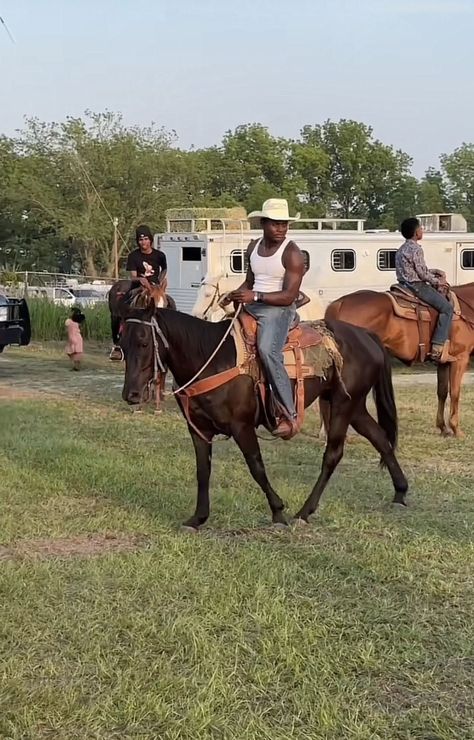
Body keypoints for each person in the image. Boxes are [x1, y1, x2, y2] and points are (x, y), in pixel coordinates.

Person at [225, 198, 305, 439]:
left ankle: (288, 414)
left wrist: (255, 296)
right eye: (275, 224)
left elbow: (289, 296)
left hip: (278, 310)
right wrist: (236, 294)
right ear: (263, 223)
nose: (281, 229)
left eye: (284, 224)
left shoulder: (292, 253)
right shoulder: (253, 247)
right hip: (253, 304)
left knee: (268, 351)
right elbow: (250, 281)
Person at [395, 217, 454, 362]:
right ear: (416, 233)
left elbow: (418, 269)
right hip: (417, 286)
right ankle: (438, 347)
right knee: (447, 308)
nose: (422, 230)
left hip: (403, 285)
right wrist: (438, 281)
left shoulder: (402, 248)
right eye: (421, 228)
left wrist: (434, 271)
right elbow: (421, 274)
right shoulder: (416, 249)